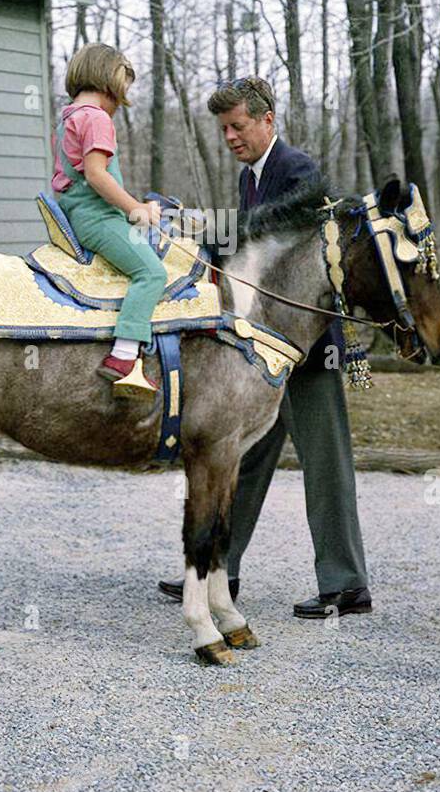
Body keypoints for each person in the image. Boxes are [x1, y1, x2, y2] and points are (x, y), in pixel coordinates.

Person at [157, 76, 371, 618]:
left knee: (325, 461)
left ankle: (346, 583)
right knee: (242, 457)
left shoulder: (297, 170)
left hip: (309, 344)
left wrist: (212, 230)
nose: (230, 136)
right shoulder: (248, 179)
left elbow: (272, 236)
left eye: (238, 125)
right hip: (266, 345)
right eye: (224, 128)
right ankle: (216, 571)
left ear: (267, 119)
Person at [51, 44, 168, 398]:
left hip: (80, 213)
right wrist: (137, 209)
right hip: (97, 217)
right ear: (110, 83)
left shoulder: (69, 115)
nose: (121, 103)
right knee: (152, 273)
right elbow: (98, 177)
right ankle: (123, 357)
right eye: (122, 93)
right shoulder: (97, 117)